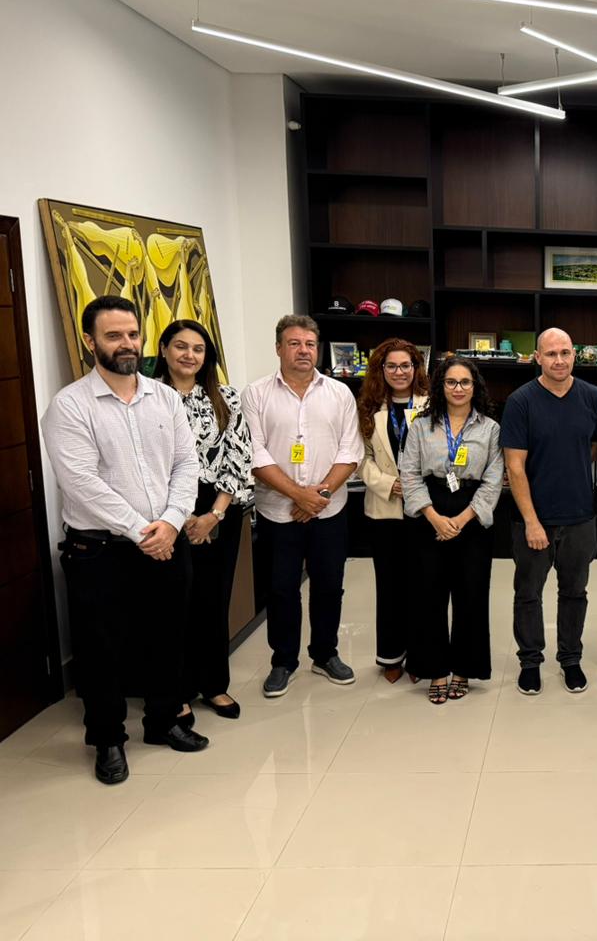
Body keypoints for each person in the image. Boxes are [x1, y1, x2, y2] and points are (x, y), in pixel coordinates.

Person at [42, 296, 207, 785]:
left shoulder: (165, 398)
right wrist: (142, 532)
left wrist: (171, 523)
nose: (127, 343)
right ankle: (108, 738)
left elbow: (186, 464)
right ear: (90, 341)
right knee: (101, 649)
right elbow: (81, 484)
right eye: (113, 336)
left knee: (167, 637)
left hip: (166, 539)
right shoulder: (70, 406)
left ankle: (162, 721)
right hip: (99, 551)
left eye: (132, 334)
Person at [242, 315, 363, 698]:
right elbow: (255, 453)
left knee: (329, 586)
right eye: (294, 343)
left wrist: (316, 496)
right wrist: (298, 494)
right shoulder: (256, 394)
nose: (303, 351)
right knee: (281, 589)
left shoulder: (339, 393)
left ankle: (325, 654)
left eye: (310, 344)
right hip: (278, 512)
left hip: (329, 509)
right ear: (279, 348)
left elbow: (350, 450)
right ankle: (283, 661)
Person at [154, 319, 254, 721]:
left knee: (213, 600)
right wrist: (180, 517)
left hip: (218, 506)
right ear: (164, 349)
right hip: (165, 512)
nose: (189, 355)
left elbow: (239, 455)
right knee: (173, 604)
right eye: (181, 346)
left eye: (198, 349)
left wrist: (213, 514)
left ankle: (213, 684)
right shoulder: (148, 397)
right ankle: (176, 691)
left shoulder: (225, 397)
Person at [501, 327, 597, 696]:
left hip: (580, 517)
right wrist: (532, 522)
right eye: (550, 354)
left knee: (575, 592)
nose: (559, 360)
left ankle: (570, 659)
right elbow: (514, 467)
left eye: (565, 353)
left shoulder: (592, 397)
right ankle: (530, 662)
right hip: (533, 520)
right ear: (537, 358)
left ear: (574, 354)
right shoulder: (521, 401)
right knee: (528, 593)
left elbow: (594, 446)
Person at [400, 357, 503, 702]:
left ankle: (464, 668)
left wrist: (462, 519)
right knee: (428, 596)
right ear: (440, 386)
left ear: (475, 386)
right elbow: (409, 474)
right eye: (451, 382)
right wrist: (433, 516)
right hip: (429, 513)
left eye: (465, 382)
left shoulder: (490, 429)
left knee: (471, 595)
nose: (458, 388)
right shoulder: (421, 426)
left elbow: (493, 479)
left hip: (472, 515)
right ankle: (435, 670)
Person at [357, 339, 429, 683]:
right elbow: (361, 459)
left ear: (416, 368)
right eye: (392, 366)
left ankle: (420, 657)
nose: (399, 372)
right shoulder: (367, 407)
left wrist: (416, 484)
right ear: (381, 370)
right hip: (384, 509)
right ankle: (391, 656)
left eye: (405, 365)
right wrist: (388, 484)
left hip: (423, 509)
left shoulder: (432, 405)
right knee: (389, 585)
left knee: (422, 585)